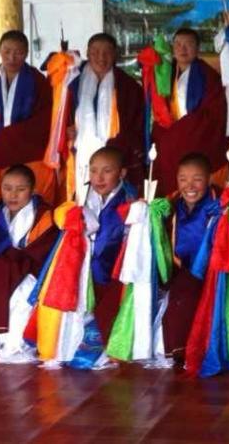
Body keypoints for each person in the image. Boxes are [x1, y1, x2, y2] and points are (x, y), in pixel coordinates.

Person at [0, 165, 58, 339]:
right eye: (7, 189)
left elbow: (44, 251)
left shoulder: (44, 215)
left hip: (29, 272)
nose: (13, 195)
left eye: (21, 189)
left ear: (33, 190)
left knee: (21, 297)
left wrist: (13, 260)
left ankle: (14, 342)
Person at [0, 30, 56, 203]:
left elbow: (45, 117)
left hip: (27, 150)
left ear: (26, 53)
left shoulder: (38, 81)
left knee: (28, 197)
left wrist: (10, 137)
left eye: (18, 52)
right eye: (7, 51)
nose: (11, 57)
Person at [150, 28, 228, 197]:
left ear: (198, 48)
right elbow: (156, 110)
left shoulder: (209, 77)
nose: (183, 49)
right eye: (178, 44)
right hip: (168, 148)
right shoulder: (165, 75)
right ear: (172, 48)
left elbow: (214, 116)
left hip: (195, 144)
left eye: (189, 44)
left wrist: (180, 130)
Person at [67, 33, 145, 200]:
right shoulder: (72, 82)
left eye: (107, 52)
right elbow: (61, 117)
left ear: (115, 55)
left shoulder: (128, 86)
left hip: (116, 154)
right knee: (81, 202)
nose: (101, 58)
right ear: (87, 54)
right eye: (95, 52)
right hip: (80, 156)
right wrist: (68, 129)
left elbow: (136, 123)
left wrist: (117, 146)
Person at [162, 153, 220, 364]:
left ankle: (186, 351)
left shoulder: (219, 203)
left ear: (209, 179)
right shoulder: (171, 204)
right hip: (180, 270)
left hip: (212, 273)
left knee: (185, 299)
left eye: (197, 178)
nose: (189, 185)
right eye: (183, 179)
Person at [82, 146, 138, 347]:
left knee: (107, 321)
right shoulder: (82, 195)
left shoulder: (131, 199)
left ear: (122, 173)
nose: (99, 178)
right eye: (94, 170)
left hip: (116, 272)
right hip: (86, 271)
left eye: (107, 171)